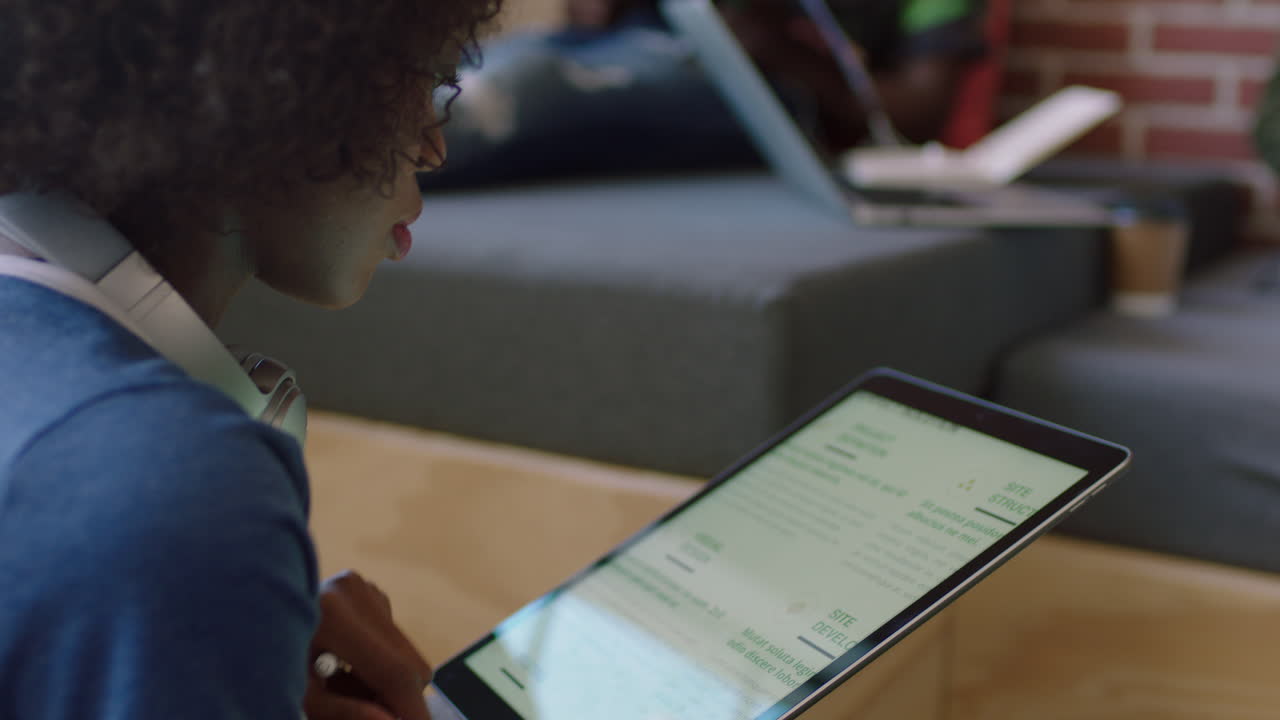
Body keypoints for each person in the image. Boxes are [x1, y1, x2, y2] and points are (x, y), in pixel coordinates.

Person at [0, 1, 497, 718]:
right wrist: (210, 561)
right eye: (424, 77)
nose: (431, 145)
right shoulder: (170, 486)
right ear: (283, 82)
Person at [422, 0, 986, 188]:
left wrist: (772, 46)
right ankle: (364, 137)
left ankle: (360, 161)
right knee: (494, 61)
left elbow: (918, 114)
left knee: (531, 86)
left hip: (754, 89)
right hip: (629, 45)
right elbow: (589, 22)